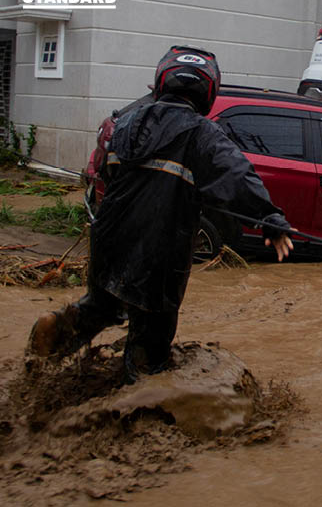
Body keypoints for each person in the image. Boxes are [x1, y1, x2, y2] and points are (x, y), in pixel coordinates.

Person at [28, 45, 295, 383]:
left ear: (161, 81)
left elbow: (106, 173)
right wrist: (270, 219)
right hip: (161, 249)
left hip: (109, 237)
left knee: (102, 305)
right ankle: (138, 401)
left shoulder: (125, 123)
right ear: (208, 91)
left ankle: (59, 332)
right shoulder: (203, 134)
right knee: (152, 335)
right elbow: (238, 178)